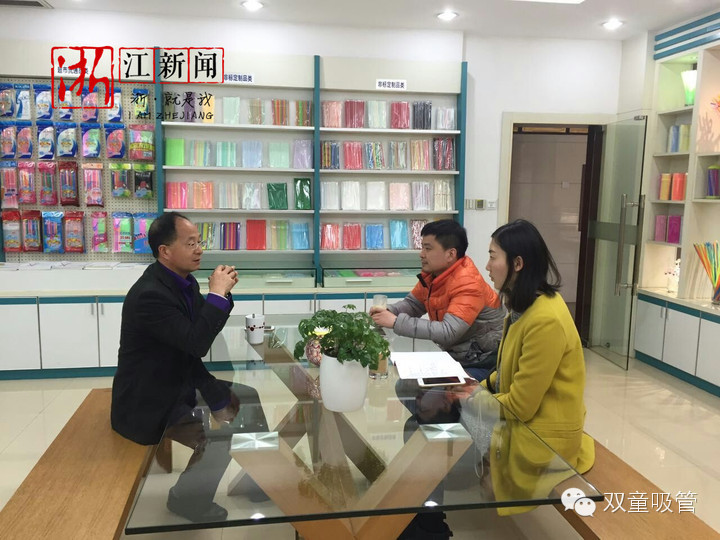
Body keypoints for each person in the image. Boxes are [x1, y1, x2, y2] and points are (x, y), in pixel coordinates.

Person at [111, 211, 268, 523]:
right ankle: (186, 499)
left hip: (179, 381)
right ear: (165, 251)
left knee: (247, 398)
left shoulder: (183, 282)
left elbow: (200, 334)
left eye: (199, 242)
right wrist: (217, 295)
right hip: (150, 399)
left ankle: (261, 476)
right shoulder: (151, 295)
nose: (199, 249)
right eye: (190, 243)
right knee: (221, 432)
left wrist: (221, 296)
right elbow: (196, 344)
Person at [468, 219, 595, 513]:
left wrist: (472, 400)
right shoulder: (527, 306)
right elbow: (509, 369)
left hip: (544, 435)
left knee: (462, 421)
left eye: (492, 257)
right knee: (457, 416)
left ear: (518, 263)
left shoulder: (544, 320)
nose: (487, 266)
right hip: (533, 420)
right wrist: (479, 387)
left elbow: (520, 407)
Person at [371, 219, 504, 380]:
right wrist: (388, 311)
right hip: (455, 355)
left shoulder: (468, 284)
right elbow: (413, 304)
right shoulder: (433, 276)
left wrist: (395, 321)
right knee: (406, 383)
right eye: (422, 247)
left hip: (481, 362)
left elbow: (448, 332)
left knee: (419, 388)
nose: (421, 254)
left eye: (428, 249)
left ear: (451, 254)